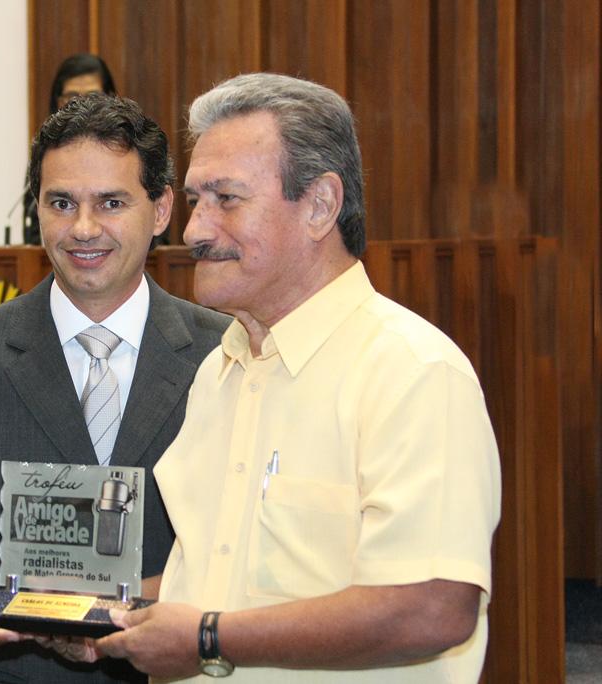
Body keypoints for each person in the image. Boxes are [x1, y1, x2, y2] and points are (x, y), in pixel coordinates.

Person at [90, 73, 502, 681]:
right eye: (197, 200)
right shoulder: (218, 373)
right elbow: (212, 580)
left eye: (227, 199)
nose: (195, 230)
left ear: (320, 206)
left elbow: (432, 608)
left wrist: (207, 638)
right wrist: (97, 616)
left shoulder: (413, 372)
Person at [0, 93, 230, 683]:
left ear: (162, 209)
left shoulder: (226, 354)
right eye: (61, 203)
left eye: (111, 203)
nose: (83, 229)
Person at [24, 53, 118, 245]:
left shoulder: (132, 153)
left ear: (111, 98)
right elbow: (33, 234)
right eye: (72, 97)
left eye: (93, 96)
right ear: (58, 102)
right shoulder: (46, 156)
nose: (82, 105)